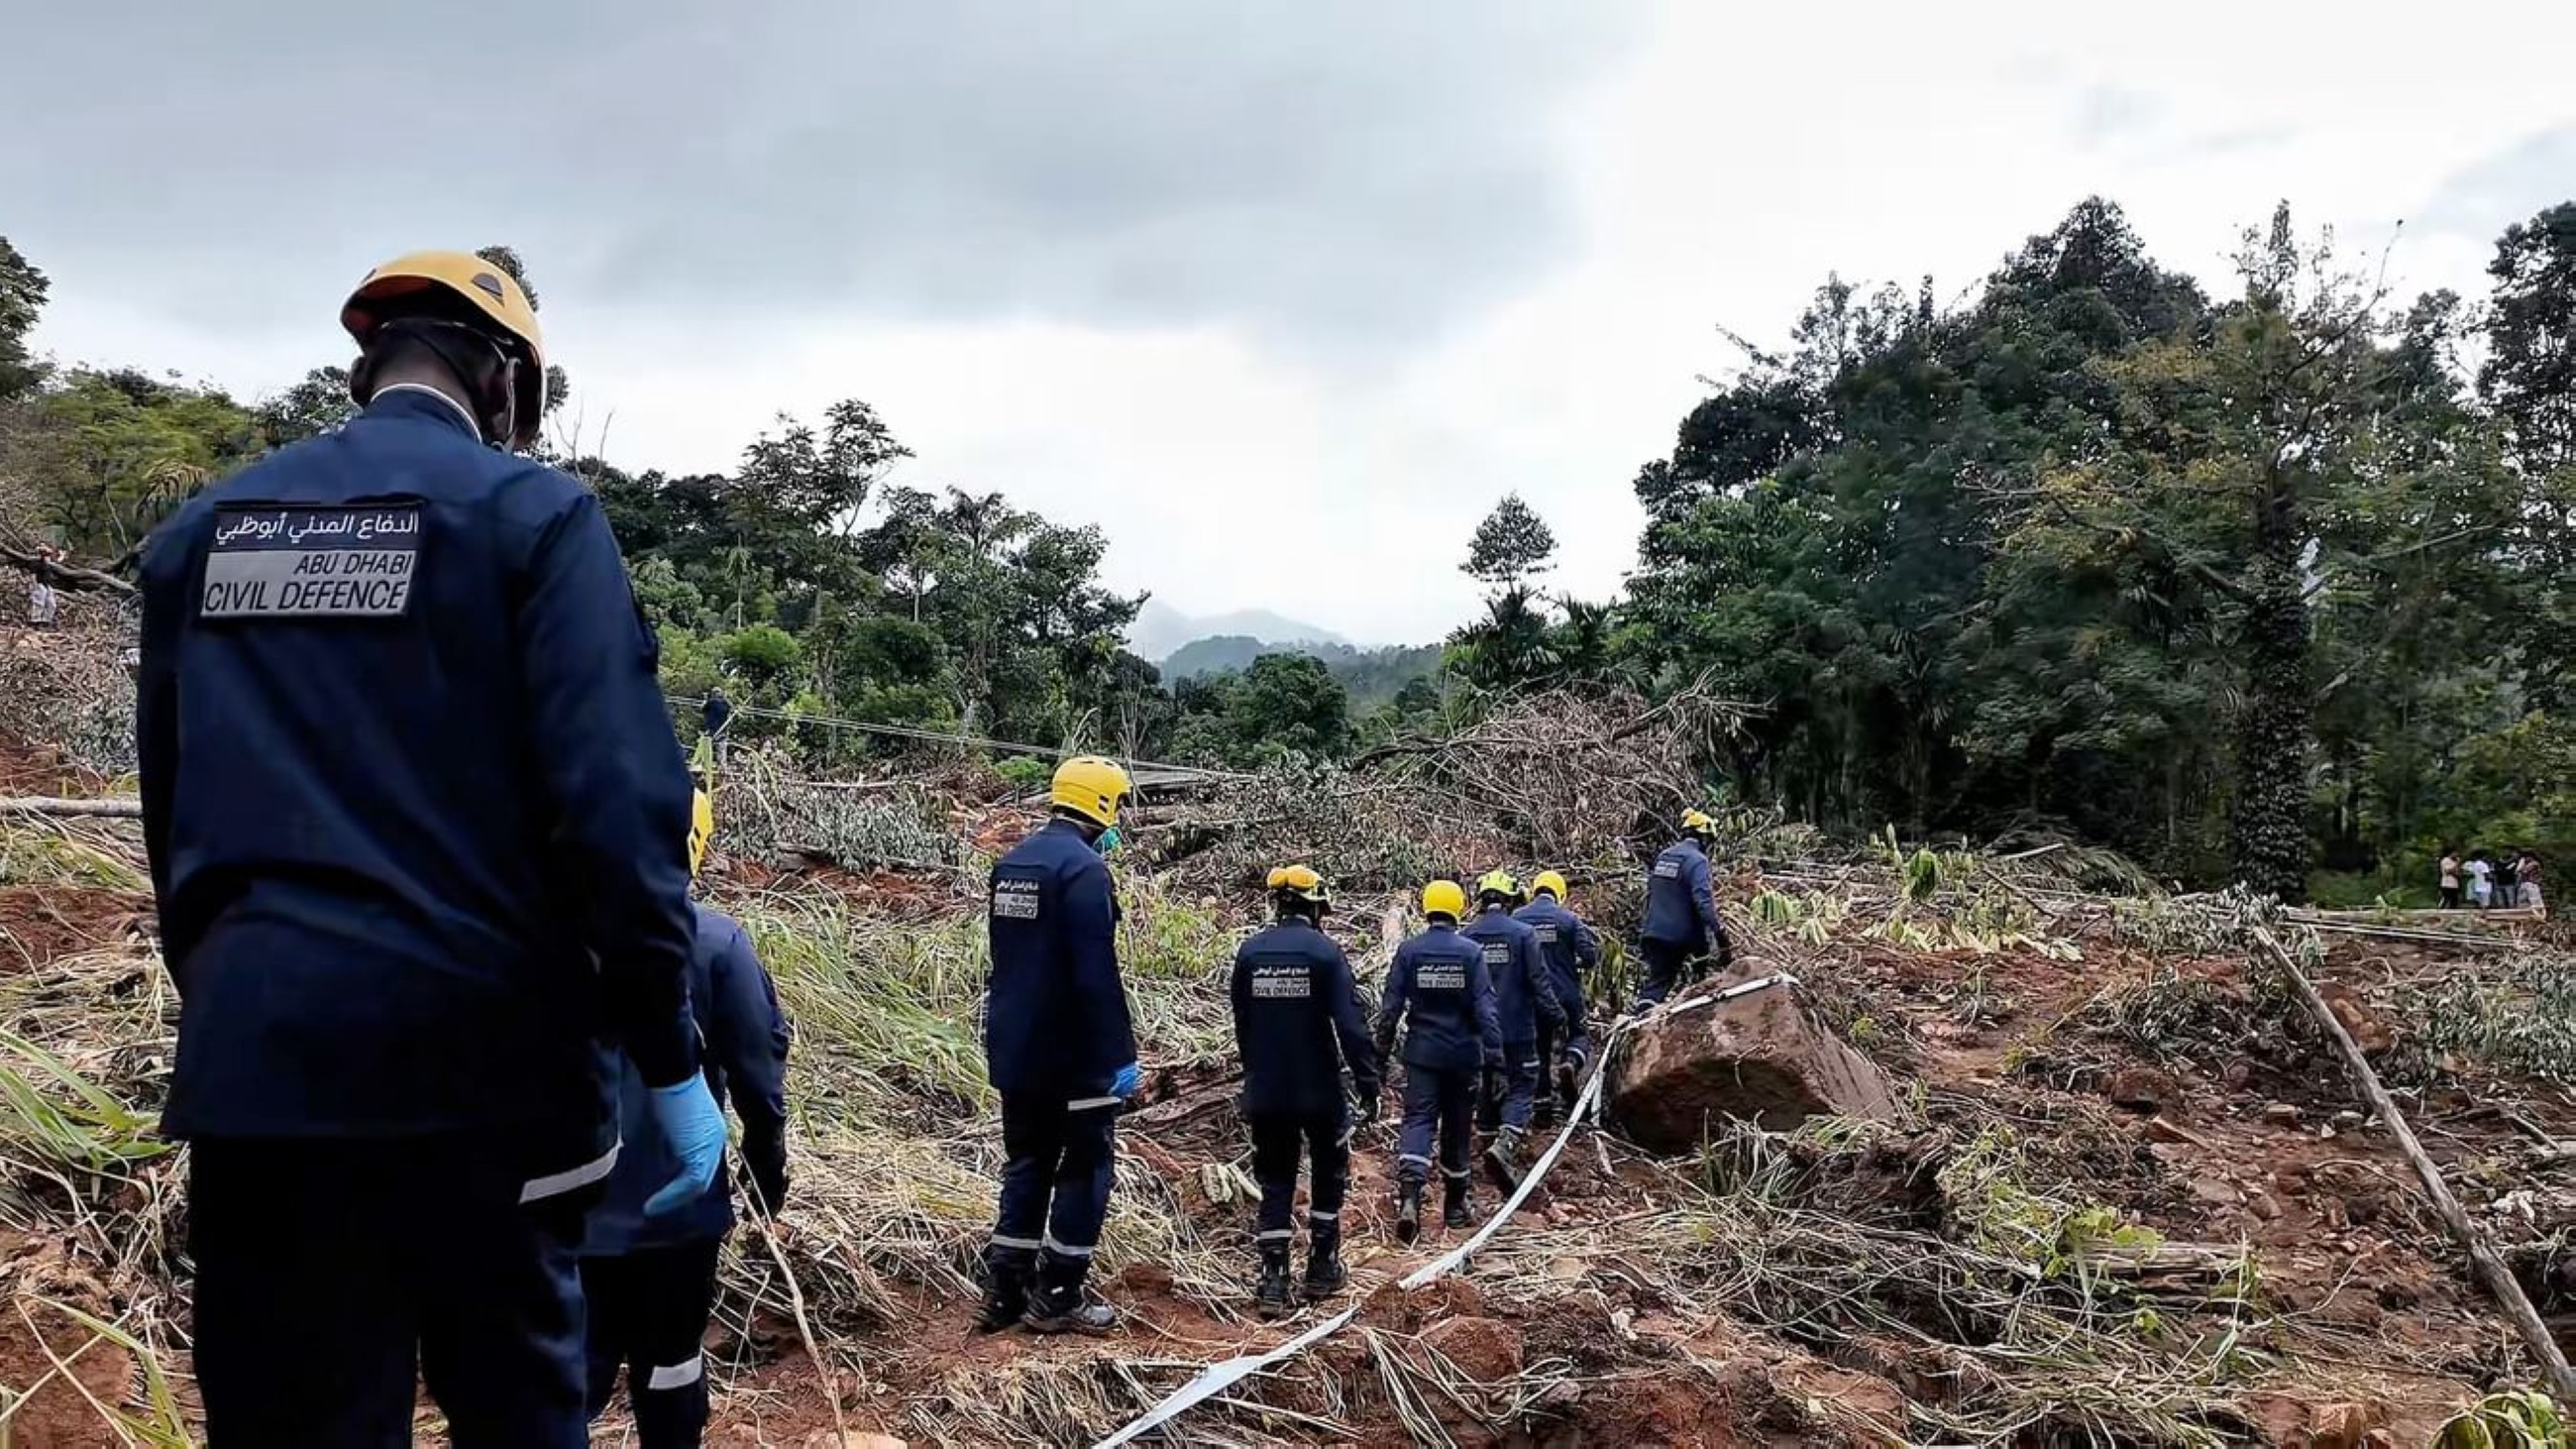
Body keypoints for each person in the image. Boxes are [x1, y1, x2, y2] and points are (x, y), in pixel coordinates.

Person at [134, 250, 723, 1445]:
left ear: (371, 361)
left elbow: (172, 809)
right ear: (502, 376)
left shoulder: (200, 534)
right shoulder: (535, 519)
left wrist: (241, 993)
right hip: (483, 1077)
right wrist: (666, 1052)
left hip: (261, 1076)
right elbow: (617, 813)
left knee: (295, 1415)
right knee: (513, 1406)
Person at [579, 791, 791, 1449]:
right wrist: (766, 1167)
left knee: (564, 1372)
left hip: (564, 1208)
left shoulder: (540, 937)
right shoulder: (716, 942)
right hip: (678, 1209)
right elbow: (758, 1070)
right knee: (671, 1363)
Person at [978, 755, 1140, 1335]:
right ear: (1103, 805)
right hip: (1074, 1055)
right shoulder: (1085, 872)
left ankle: (1004, 1291)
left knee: (1027, 1162)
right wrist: (1119, 1054)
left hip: (1016, 1047)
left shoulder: (1013, 865)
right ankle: (1060, 1294)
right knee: (1086, 1167)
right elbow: (1095, 973)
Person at [1229, 864, 1380, 1317]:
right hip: (1319, 1089)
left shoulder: (1250, 953)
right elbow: (1351, 1027)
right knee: (1329, 1172)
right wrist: (1369, 1083)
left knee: (1275, 1178)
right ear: (1316, 907)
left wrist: (1255, 1074)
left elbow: (1242, 1022)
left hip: (1268, 1089)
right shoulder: (1325, 953)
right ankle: (1321, 1266)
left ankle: (1273, 1278)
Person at [1374, 881, 1502, 1244]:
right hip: (1463, 1057)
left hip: (1422, 1055)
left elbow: (1390, 1010)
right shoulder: (1471, 953)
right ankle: (1456, 1207)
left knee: (1418, 1120)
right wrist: (1497, 1062)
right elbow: (1487, 1012)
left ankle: (1410, 1199)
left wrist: (1379, 1055)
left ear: (1426, 909)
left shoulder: (1409, 951)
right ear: (1459, 908)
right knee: (1457, 1127)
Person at [1461, 870, 1563, 1187]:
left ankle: (1485, 1139)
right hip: (1518, 1026)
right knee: (1522, 1084)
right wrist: (1557, 1016)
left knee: (1488, 1081)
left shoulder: (1466, 936)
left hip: (1479, 1030)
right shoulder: (1523, 934)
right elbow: (1539, 981)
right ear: (1509, 900)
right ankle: (1505, 1143)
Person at [1515, 870, 1598, 1129]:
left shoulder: (1517, 918)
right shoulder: (1568, 919)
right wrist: (1575, 964)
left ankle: (1542, 1111)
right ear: (1559, 893)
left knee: (1539, 1048)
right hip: (1566, 992)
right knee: (1579, 1034)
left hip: (1532, 996)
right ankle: (1571, 1061)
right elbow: (1590, 955)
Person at [1635, 809, 1734, 1011]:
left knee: (1657, 982)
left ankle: (1641, 1015)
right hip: (1680, 936)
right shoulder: (1697, 860)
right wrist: (1720, 935)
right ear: (1705, 838)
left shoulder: (1664, 856)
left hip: (1653, 930)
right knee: (1701, 977)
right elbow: (1703, 902)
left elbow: (1651, 892)